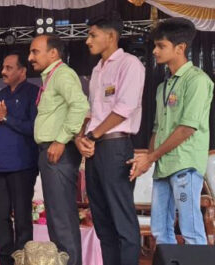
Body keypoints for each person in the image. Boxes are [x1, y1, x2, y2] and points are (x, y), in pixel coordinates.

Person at [129, 17, 213, 245]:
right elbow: (157, 128)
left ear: (181, 48)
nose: (155, 51)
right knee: (159, 229)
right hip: (163, 166)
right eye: (155, 46)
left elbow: (187, 128)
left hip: (184, 164)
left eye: (161, 46)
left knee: (191, 229)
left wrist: (151, 157)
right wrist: (148, 158)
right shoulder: (162, 87)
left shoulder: (197, 80)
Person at [76, 16, 145, 265]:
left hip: (116, 146)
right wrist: (83, 137)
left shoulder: (130, 64)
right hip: (95, 149)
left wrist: (92, 135)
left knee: (122, 220)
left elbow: (124, 108)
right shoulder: (97, 69)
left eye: (93, 35)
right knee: (102, 221)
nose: (87, 41)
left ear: (111, 36)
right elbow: (94, 113)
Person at [29, 34, 89, 265]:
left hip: (58, 153)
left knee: (61, 220)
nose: (30, 57)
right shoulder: (51, 77)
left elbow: (81, 105)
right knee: (56, 219)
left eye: (35, 51)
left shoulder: (62, 74)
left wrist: (61, 140)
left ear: (53, 53)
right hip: (51, 153)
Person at [0, 51, 39, 265]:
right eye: (3, 67)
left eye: (9, 68)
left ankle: (24, 261)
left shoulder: (34, 94)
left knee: (23, 220)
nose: (3, 72)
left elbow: (34, 129)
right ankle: (5, 261)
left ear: (22, 71)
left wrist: (5, 117)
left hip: (22, 166)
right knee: (0, 219)